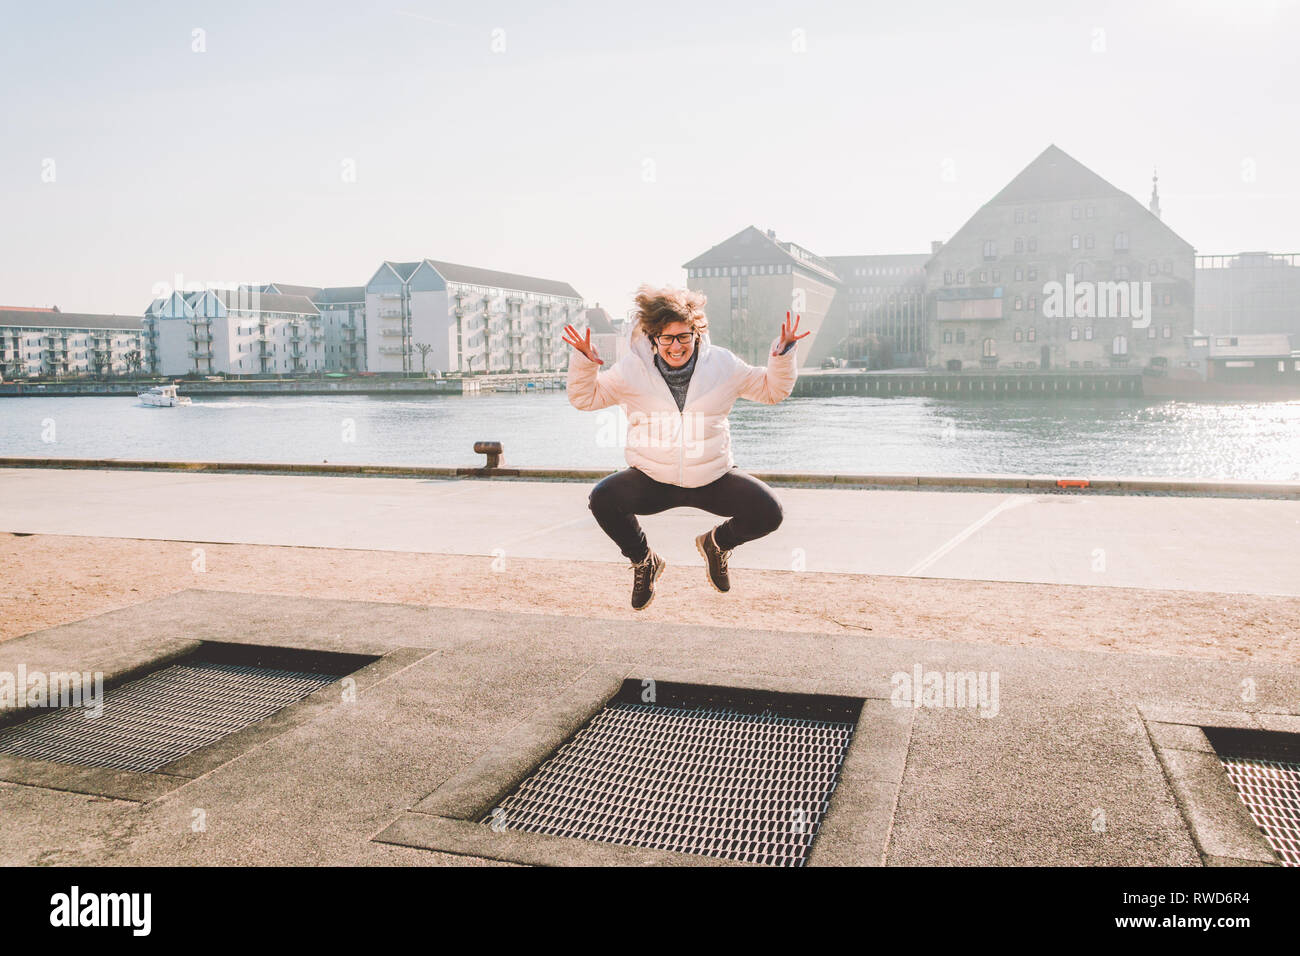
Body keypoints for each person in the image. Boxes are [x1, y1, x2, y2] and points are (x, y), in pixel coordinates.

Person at [562, 284, 808, 610]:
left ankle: (717, 545)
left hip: (711, 477)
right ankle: (644, 561)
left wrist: (783, 353)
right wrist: (584, 362)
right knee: (602, 498)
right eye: (667, 337)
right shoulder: (631, 371)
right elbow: (585, 397)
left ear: (696, 333)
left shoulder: (723, 365)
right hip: (652, 478)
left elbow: (771, 390)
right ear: (653, 338)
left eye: (683, 336)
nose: (676, 346)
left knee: (769, 512)